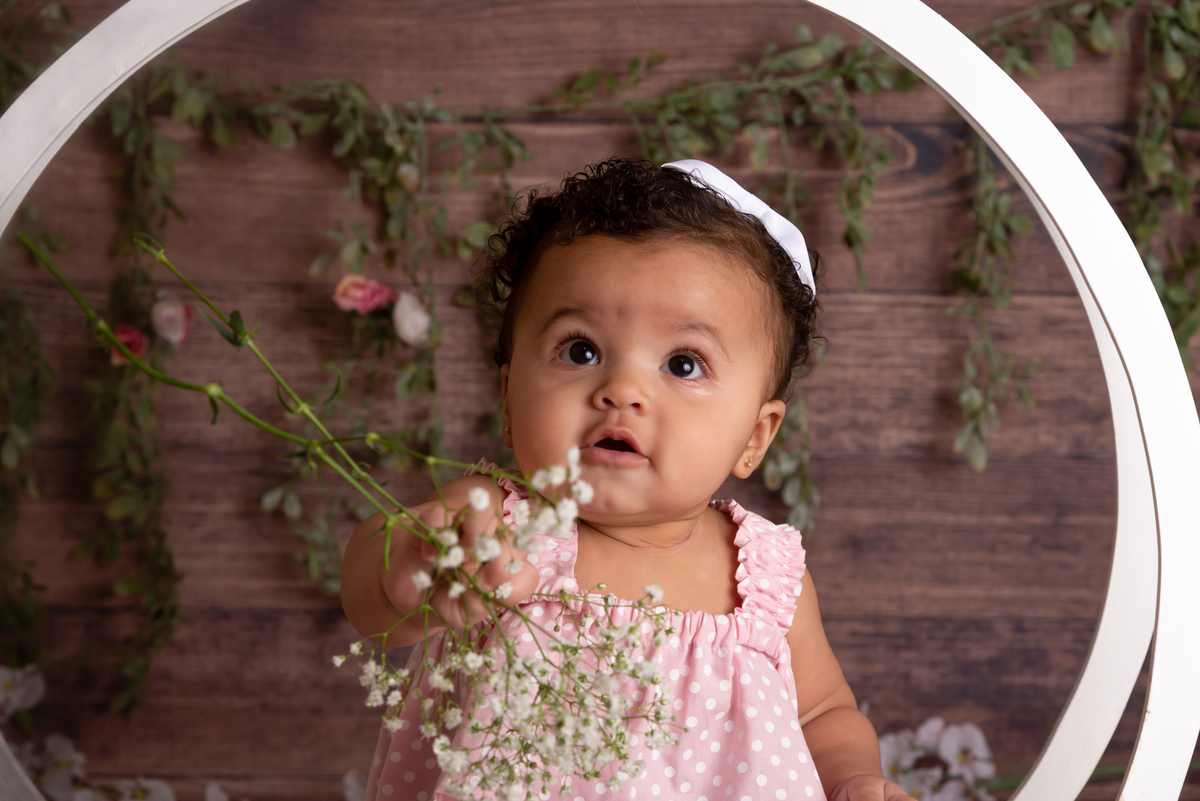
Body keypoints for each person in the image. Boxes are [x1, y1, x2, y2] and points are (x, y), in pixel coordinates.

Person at [341, 158, 913, 801]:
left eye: (683, 363)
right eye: (580, 350)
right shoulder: (493, 522)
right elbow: (367, 589)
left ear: (755, 436)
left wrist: (854, 779)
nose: (622, 391)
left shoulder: (766, 581)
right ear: (507, 397)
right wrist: (408, 578)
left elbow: (822, 714)